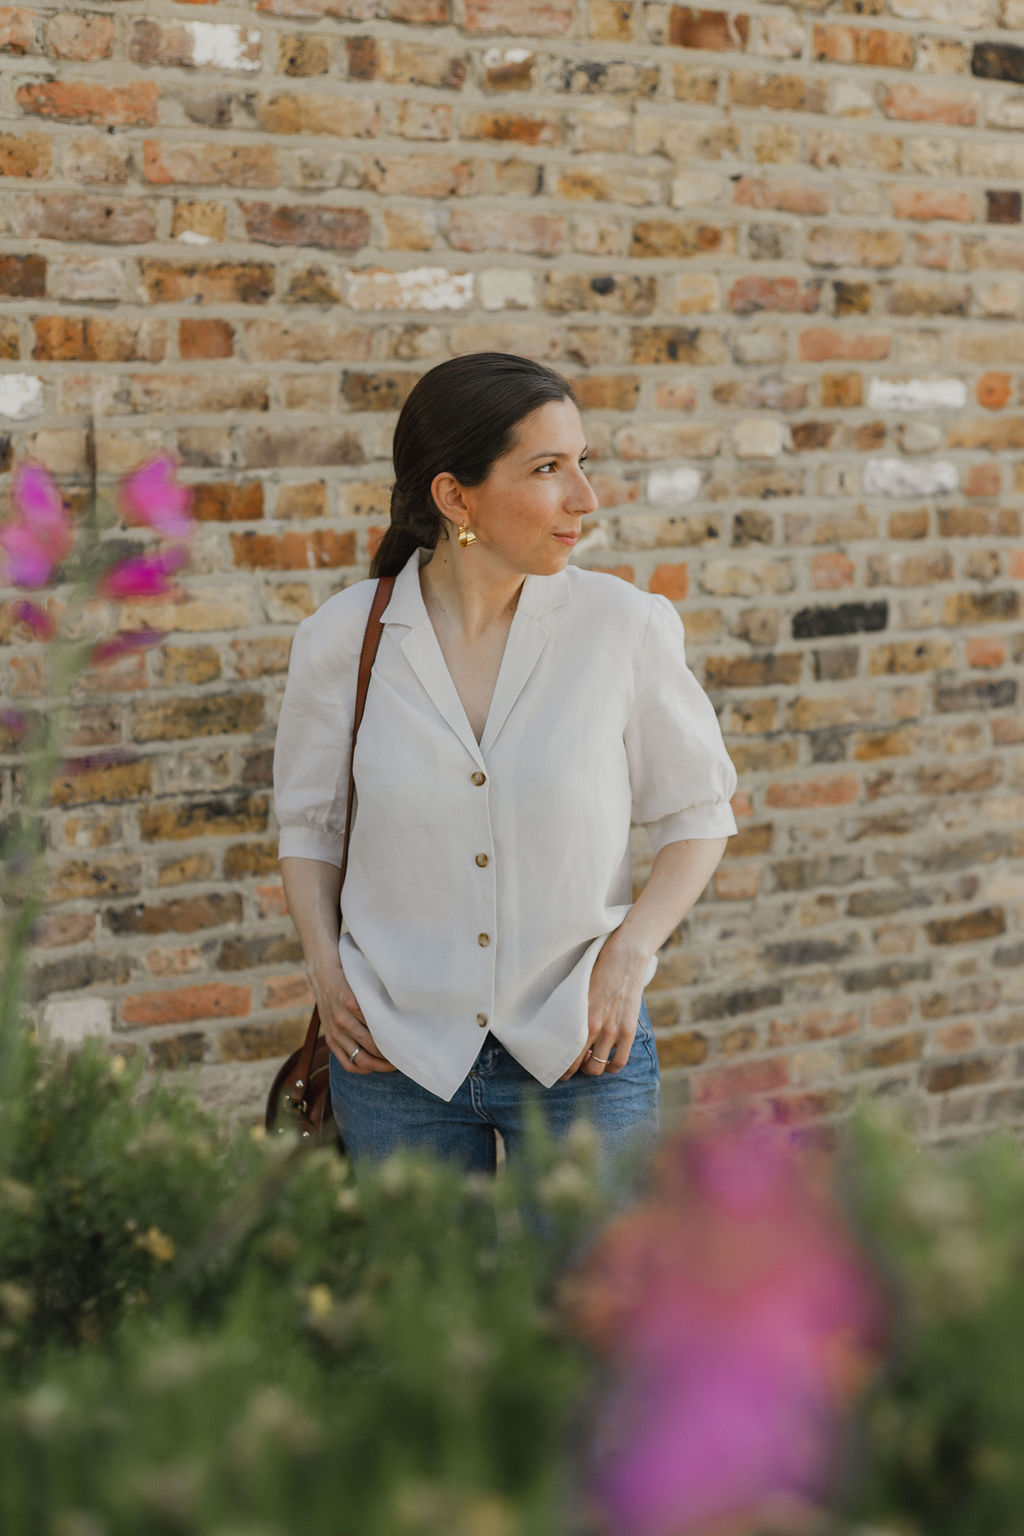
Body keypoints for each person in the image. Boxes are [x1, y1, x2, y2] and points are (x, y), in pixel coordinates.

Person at [272, 352, 738, 1201]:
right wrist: (325, 975)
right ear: (457, 498)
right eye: (549, 469)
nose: (585, 499)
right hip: (394, 1054)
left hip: (582, 1047)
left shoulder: (622, 628)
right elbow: (310, 828)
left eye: (582, 463)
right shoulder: (343, 640)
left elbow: (700, 813)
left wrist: (630, 955)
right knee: (424, 1321)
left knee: (593, 1316)